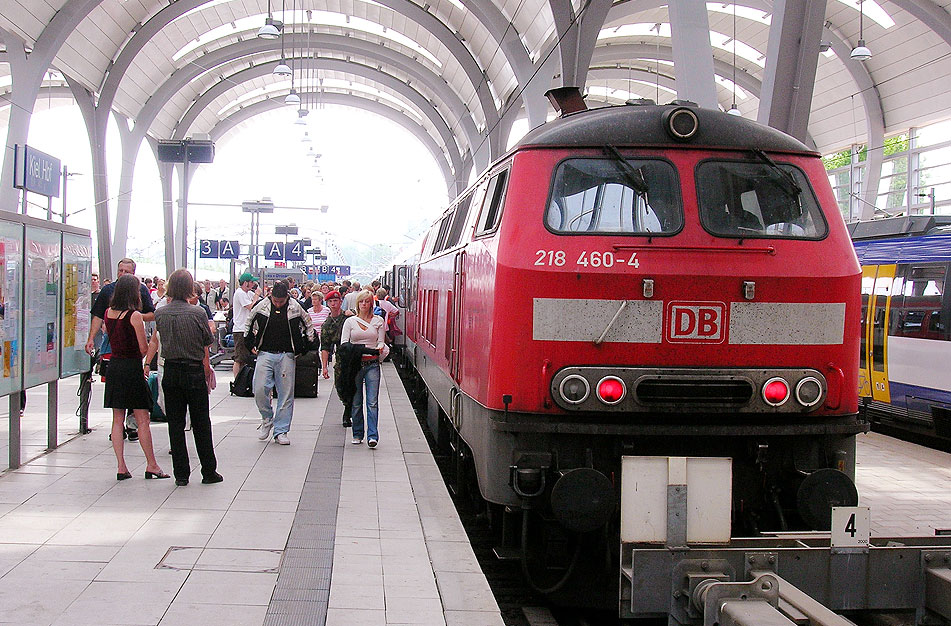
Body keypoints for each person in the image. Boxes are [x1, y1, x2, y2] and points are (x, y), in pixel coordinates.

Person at [148, 269, 220, 487]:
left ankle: (181, 473)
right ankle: (208, 471)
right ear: (190, 288)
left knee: (175, 424)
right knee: (200, 422)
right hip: (193, 370)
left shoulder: (161, 313)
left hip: (170, 370)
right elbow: (207, 339)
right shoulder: (197, 313)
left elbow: (159, 338)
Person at [102, 274, 168, 480]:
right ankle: (152, 464)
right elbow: (141, 348)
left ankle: (121, 466)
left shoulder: (108, 313)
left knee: (117, 418)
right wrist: (149, 350)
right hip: (132, 368)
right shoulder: (135, 316)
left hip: (114, 367)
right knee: (142, 419)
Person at [85, 258, 156, 442]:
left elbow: (150, 313)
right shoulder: (109, 293)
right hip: (124, 356)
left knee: (120, 411)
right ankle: (148, 460)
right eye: (120, 271)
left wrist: (136, 318)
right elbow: (97, 315)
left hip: (120, 358)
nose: (122, 274)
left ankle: (127, 432)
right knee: (137, 412)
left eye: (126, 271)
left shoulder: (138, 296)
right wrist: (91, 338)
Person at [245, 281, 316, 445]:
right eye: (275, 300)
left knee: (286, 393)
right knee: (259, 388)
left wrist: (305, 346)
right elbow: (249, 323)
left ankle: (281, 430)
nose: (278, 303)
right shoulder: (261, 307)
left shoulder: (296, 307)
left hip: (287, 354)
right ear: (271, 296)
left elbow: (308, 325)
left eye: (281, 301)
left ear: (286, 297)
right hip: (265, 352)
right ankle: (267, 417)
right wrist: (250, 345)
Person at [341, 290, 386, 447]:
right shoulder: (350, 322)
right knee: (356, 401)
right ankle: (357, 433)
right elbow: (344, 344)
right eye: (362, 302)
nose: (364, 304)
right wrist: (361, 350)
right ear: (358, 304)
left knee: (372, 401)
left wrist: (378, 349)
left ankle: (372, 436)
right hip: (355, 365)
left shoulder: (378, 321)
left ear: (371, 303)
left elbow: (381, 341)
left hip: (372, 364)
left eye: (367, 301)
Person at [232, 273, 261, 376]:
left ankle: (244, 380)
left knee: (246, 357)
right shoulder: (240, 293)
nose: (253, 284)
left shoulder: (248, 293)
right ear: (245, 283)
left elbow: (259, 303)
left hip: (248, 329)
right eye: (251, 282)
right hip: (240, 329)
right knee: (239, 358)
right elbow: (251, 306)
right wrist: (257, 295)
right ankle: (237, 381)